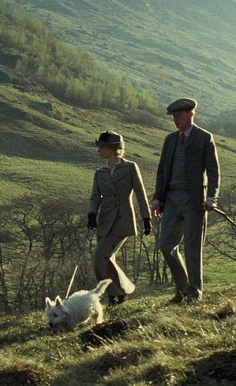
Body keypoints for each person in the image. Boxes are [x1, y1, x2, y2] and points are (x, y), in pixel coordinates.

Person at [151, 98, 220, 303]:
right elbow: (162, 171)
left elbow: (213, 171)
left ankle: (194, 292)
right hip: (171, 199)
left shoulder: (204, 138)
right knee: (166, 245)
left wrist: (211, 198)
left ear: (191, 114)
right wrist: (157, 199)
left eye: (179, 115)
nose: (175, 120)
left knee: (192, 248)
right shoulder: (170, 139)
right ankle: (182, 288)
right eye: (173, 116)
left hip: (194, 200)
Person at [88, 131, 152, 306]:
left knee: (100, 257)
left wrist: (146, 217)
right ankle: (118, 295)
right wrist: (92, 214)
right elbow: (95, 197)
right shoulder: (100, 173)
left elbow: (140, 193)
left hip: (123, 220)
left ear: (113, 148)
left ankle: (114, 294)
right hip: (104, 221)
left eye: (102, 147)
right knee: (107, 259)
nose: (99, 150)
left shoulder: (130, 167)